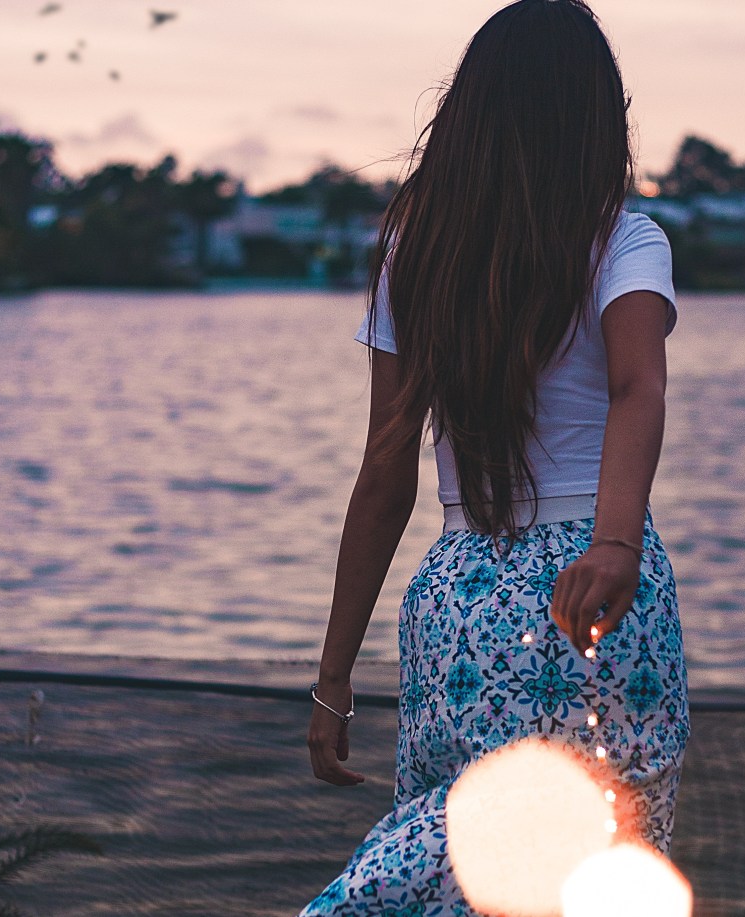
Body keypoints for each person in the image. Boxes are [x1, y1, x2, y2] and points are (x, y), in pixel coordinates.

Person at [297, 1, 689, 913]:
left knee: (461, 863)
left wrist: (332, 675)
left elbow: (386, 467)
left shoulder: (418, 252)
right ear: (595, 115)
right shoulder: (624, 242)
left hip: (457, 601)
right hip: (592, 593)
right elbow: (640, 388)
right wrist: (616, 545)